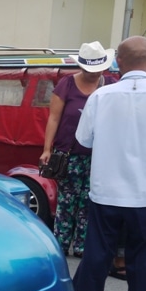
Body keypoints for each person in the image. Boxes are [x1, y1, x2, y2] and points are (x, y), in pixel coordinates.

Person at [70, 35, 146, 291]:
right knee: (143, 255)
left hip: (107, 190)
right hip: (144, 194)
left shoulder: (101, 97)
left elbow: (83, 140)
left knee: (99, 250)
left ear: (120, 63)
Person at [39, 41, 115, 258]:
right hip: (68, 153)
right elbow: (54, 118)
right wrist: (47, 149)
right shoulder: (67, 84)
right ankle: (60, 245)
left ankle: (82, 246)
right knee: (67, 200)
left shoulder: (110, 84)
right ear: (81, 66)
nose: (93, 73)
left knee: (90, 201)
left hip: (99, 155)